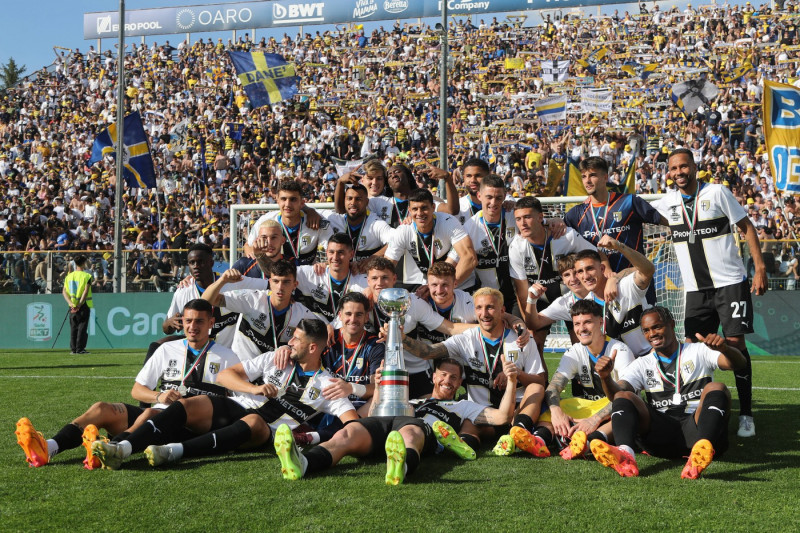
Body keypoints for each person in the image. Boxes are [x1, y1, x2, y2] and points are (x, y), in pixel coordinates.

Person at [92, 319, 357, 470]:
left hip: (266, 431)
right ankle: (123, 449)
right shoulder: (275, 359)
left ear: (312, 348)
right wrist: (254, 388)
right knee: (192, 404)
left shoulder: (328, 384)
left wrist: (316, 436)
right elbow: (225, 376)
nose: (290, 343)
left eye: (296, 340)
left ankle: (173, 452)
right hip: (239, 406)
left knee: (254, 422)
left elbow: (352, 423)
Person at [15, 299, 241, 469]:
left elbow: (235, 402)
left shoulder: (227, 356)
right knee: (101, 409)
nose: (193, 326)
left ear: (211, 323)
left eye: (199, 321)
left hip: (186, 426)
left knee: (149, 414)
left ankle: (113, 449)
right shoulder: (167, 349)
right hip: (156, 409)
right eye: (188, 321)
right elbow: (137, 390)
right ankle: (49, 448)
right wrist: (158, 396)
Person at [653, 148, 767, 437]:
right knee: (691, 348)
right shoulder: (668, 203)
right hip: (695, 289)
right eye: (673, 168)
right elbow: (635, 211)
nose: (678, 172)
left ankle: (746, 414)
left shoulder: (716, 192)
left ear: (694, 167)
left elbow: (746, 227)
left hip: (729, 283)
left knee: (734, 345)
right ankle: (699, 409)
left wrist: (760, 268)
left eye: (683, 167)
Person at [273, 356, 519, 485]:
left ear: (459, 383)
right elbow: (375, 410)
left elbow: (501, 417)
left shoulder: (462, 405)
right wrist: (379, 386)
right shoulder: (410, 397)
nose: (448, 380)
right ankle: (302, 463)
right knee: (346, 435)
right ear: (434, 377)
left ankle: (401, 467)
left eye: (454, 378)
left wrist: (511, 383)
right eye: (444, 374)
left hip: (420, 429)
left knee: (410, 434)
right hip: (388, 421)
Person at [589, 307, 746, 479]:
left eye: (657, 327)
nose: (652, 334)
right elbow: (616, 394)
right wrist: (605, 378)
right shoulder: (642, 363)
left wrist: (725, 349)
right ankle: (626, 456)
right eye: (646, 330)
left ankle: (700, 452)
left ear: (672, 325)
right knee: (623, 396)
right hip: (660, 435)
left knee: (717, 387)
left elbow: (737, 364)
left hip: (697, 428)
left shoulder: (698, 350)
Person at [400, 288, 547, 457]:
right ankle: (462, 445)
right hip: (484, 414)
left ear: (502, 311)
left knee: (536, 389)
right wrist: (401, 337)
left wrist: (517, 374)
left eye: (490, 307)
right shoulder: (466, 338)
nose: (484, 313)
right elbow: (428, 352)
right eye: (479, 308)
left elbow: (541, 381)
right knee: (470, 423)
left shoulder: (521, 339)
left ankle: (517, 432)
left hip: (518, 411)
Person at [540, 300, 635, 460]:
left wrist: (594, 419)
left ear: (600, 322)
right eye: (577, 324)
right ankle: (540, 439)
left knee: (624, 411)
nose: (581, 328)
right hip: (587, 409)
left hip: (612, 410)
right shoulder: (575, 351)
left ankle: (587, 442)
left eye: (587, 322)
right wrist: (557, 413)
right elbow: (553, 387)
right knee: (550, 406)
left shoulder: (620, 350)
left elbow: (627, 394)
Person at [563, 156, 665, 304]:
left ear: (605, 177)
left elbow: (665, 221)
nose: (587, 180)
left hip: (635, 283)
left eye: (592, 175)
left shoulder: (629, 202)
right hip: (600, 290)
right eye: (584, 176)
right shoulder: (575, 214)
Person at [525, 242, 654, 357]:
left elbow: (647, 270)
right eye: (580, 271)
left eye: (590, 269)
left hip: (648, 357)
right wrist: (531, 300)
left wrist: (619, 247)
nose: (584, 276)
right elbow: (534, 323)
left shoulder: (624, 287)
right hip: (615, 367)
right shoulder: (585, 305)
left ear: (602, 269)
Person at [510, 196, 596, 355]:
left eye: (527, 217)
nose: (523, 223)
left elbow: (595, 257)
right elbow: (522, 292)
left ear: (541, 217)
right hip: (540, 299)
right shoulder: (516, 247)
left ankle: (582, 379)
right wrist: (528, 326)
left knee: (581, 343)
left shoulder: (566, 235)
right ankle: (541, 380)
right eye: (518, 219)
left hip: (571, 295)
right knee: (534, 344)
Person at [201, 259, 320, 360]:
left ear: (295, 285)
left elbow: (319, 340)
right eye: (276, 281)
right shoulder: (251, 299)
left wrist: (290, 348)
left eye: (286, 282)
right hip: (242, 369)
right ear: (269, 282)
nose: (280, 287)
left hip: (273, 374)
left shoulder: (303, 314)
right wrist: (222, 281)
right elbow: (206, 301)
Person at [384, 188, 476, 291]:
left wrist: (446, 286)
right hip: (431, 286)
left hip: (459, 286)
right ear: (409, 210)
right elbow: (388, 265)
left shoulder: (448, 222)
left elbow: (470, 258)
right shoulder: (403, 230)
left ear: (433, 207)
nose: (420, 213)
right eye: (415, 209)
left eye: (424, 208)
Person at [244, 180, 331, 265]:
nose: (288, 204)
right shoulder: (265, 221)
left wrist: (324, 265)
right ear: (278, 201)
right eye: (283, 199)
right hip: (275, 277)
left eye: (293, 199)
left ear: (302, 203)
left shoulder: (315, 221)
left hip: (306, 276)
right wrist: (251, 252)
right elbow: (247, 246)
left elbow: (334, 252)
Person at [295, 233, 368, 324]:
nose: (335, 257)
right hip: (318, 333)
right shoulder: (313, 273)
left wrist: (372, 291)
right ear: (326, 253)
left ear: (351, 254)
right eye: (331, 252)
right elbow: (281, 273)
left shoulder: (363, 281)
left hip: (346, 333)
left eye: (341, 252)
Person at [326, 183, 393, 270]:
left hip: (367, 278)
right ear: (344, 201)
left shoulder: (375, 223)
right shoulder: (334, 220)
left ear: (367, 202)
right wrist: (309, 211)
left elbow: (396, 240)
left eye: (358, 199)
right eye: (349, 198)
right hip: (343, 277)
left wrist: (373, 258)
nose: (353, 203)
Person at [62, 254, 93, 354]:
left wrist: (71, 303)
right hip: (83, 305)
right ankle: (80, 349)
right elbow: (85, 290)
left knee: (73, 328)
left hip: (72, 306)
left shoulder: (69, 276)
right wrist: (79, 304)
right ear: (83, 264)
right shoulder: (87, 276)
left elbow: (64, 291)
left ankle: (73, 349)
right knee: (82, 328)